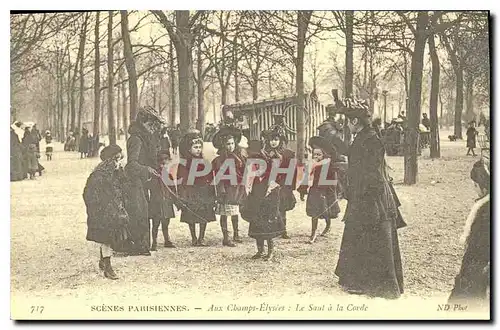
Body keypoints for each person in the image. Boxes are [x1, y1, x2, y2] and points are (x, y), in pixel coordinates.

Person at [334, 98, 406, 299]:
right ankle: (357, 280)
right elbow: (354, 158)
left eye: (349, 122)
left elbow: (372, 173)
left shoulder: (371, 139)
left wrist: (364, 195)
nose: (348, 125)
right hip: (362, 193)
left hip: (371, 195)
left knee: (372, 235)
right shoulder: (363, 137)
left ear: (355, 122)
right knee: (359, 234)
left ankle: (373, 284)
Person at [83, 145, 131, 280]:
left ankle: (103, 260)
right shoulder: (98, 175)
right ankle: (108, 266)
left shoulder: (117, 172)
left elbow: (124, 186)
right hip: (103, 212)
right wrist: (98, 209)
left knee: (111, 238)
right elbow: (89, 194)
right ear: (109, 160)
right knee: (107, 238)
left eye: (120, 159)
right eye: (116, 159)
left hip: (115, 210)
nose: (119, 162)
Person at [448, 157, 490, 309]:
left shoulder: (485, 212)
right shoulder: (484, 206)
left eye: (475, 185)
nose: (474, 188)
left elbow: (479, 245)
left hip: (480, 263)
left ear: (483, 188)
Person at [240, 128, 285, 261]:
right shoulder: (258, 157)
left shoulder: (277, 158)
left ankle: (270, 251)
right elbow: (250, 173)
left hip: (270, 192)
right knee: (257, 220)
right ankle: (260, 250)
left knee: (269, 221)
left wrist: (271, 186)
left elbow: (277, 176)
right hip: (257, 192)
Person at [124, 107, 164, 256]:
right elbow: (131, 164)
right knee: (140, 212)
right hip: (134, 181)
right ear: (143, 123)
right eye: (150, 124)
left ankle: (142, 244)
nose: (153, 128)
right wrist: (146, 169)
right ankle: (138, 245)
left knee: (147, 210)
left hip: (145, 180)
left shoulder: (146, 138)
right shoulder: (136, 139)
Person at [176, 130, 216, 246]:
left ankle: (201, 237)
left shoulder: (204, 162)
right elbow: (181, 179)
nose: (198, 149)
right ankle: (193, 237)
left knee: (204, 215)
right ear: (189, 149)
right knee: (191, 215)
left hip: (203, 192)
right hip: (191, 192)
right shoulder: (184, 163)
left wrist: (211, 191)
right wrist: (182, 193)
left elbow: (210, 177)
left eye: (199, 147)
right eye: (195, 147)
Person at [299, 136, 341, 244]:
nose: (316, 156)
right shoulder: (311, 164)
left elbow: (333, 179)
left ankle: (328, 225)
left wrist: (334, 191)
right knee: (314, 212)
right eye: (315, 154)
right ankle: (313, 233)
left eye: (319, 154)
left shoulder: (328, 164)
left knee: (326, 211)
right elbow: (306, 177)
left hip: (325, 190)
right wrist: (303, 191)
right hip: (314, 190)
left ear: (324, 155)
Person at [211, 126, 247, 247]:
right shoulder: (219, 160)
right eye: (228, 144)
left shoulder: (239, 157)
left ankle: (236, 234)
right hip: (226, 189)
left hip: (236, 189)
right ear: (223, 145)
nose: (230, 146)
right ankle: (226, 237)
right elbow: (218, 177)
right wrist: (221, 190)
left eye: (232, 143)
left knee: (235, 212)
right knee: (225, 213)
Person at [260, 125, 296, 239]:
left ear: (280, 140)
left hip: (283, 185)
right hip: (271, 184)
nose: (273, 142)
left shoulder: (288, 154)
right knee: (271, 207)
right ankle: (274, 230)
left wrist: (288, 185)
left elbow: (291, 171)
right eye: (271, 140)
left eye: (276, 140)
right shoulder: (265, 154)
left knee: (282, 208)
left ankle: (284, 230)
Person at [148, 149, 177, 250]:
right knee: (155, 224)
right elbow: (150, 187)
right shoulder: (154, 176)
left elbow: (173, 190)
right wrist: (155, 177)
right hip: (157, 203)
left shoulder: (169, 176)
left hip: (167, 203)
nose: (164, 166)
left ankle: (167, 240)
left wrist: (176, 202)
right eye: (162, 163)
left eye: (166, 163)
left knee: (166, 223)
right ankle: (154, 242)